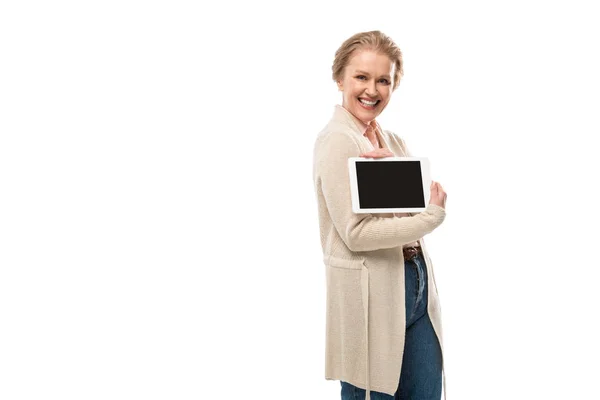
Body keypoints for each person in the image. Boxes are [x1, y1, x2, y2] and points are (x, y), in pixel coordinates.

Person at [312, 31, 448, 400]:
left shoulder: (390, 141)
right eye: (361, 77)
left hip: (414, 283)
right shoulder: (338, 141)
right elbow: (356, 233)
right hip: (370, 293)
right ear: (339, 78)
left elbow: (403, 212)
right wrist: (430, 218)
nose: (372, 90)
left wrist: (397, 176)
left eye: (383, 80)